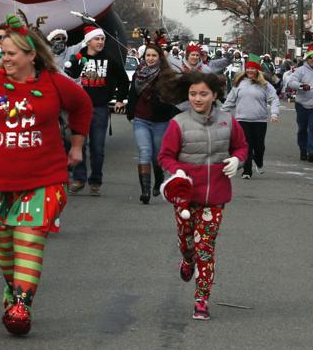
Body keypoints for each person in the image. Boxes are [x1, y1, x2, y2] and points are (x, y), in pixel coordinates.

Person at [0, 15, 91, 336]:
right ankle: (13, 289)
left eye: (12, 53)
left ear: (31, 55)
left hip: (44, 178)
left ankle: (22, 304)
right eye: (3, 51)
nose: (5, 58)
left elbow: (82, 106)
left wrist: (78, 145)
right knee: (6, 247)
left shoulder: (54, 82)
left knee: (28, 237)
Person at [158, 71, 248, 321]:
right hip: (185, 195)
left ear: (215, 95)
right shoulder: (178, 122)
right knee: (188, 244)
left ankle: (201, 300)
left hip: (215, 196)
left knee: (205, 248)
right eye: (193, 94)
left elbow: (241, 147)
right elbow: (165, 155)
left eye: (203, 94)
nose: (197, 98)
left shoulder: (228, 122)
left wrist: (236, 160)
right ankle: (187, 260)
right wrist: (176, 170)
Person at [62, 26, 130, 196]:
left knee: (97, 148)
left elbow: (123, 80)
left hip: (99, 108)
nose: (100, 42)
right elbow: (68, 77)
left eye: (102, 39)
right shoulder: (78, 57)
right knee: (78, 144)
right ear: (88, 41)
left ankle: (96, 181)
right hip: (78, 110)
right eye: (97, 39)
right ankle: (79, 179)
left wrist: (120, 100)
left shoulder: (110, 59)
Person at [127, 43, 181, 203]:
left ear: (159, 58)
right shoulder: (139, 72)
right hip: (141, 118)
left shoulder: (166, 74)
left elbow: (173, 97)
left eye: (154, 56)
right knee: (144, 151)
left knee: (157, 155)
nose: (150, 59)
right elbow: (133, 93)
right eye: (148, 55)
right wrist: (130, 111)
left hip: (160, 120)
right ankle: (145, 192)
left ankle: (159, 179)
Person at [222, 54, 279, 178]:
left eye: (253, 69)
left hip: (260, 120)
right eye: (248, 69)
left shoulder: (265, 85)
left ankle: (259, 161)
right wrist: (221, 114)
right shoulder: (239, 84)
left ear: (257, 71)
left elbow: (274, 99)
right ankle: (247, 171)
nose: (250, 71)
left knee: (259, 147)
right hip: (242, 120)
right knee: (246, 145)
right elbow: (230, 101)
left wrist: (274, 113)